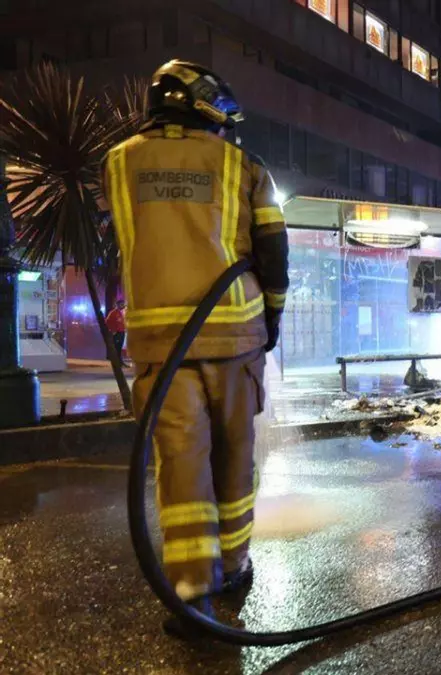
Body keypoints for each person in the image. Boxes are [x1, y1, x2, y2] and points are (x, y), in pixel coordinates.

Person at [103, 60, 289, 636]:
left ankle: (190, 590)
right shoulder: (241, 166)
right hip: (235, 336)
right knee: (234, 454)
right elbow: (273, 252)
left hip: (161, 347)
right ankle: (234, 566)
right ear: (206, 105)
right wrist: (273, 318)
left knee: (181, 467)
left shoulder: (118, 163)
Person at [105, 299, 127, 365]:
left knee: (119, 347)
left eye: (123, 304)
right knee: (117, 348)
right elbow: (107, 322)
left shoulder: (122, 312)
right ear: (118, 305)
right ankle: (117, 362)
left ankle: (120, 362)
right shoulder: (113, 313)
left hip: (122, 332)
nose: (123, 305)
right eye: (122, 304)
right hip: (117, 333)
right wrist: (113, 330)